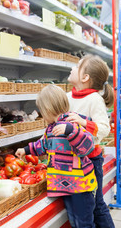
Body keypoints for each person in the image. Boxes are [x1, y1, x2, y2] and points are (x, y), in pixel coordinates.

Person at [16, 84, 97, 228]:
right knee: (74, 221)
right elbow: (43, 145)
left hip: (80, 187)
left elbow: (88, 146)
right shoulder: (51, 129)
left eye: (41, 111)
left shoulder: (72, 122)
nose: (42, 115)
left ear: (47, 109)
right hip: (65, 186)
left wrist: (71, 131)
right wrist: (25, 149)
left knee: (84, 223)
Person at [53, 55, 115, 228]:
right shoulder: (66, 96)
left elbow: (104, 129)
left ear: (85, 77)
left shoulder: (94, 100)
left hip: (90, 161)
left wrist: (83, 122)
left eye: (77, 66)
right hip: (69, 161)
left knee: (96, 206)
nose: (72, 68)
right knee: (85, 207)